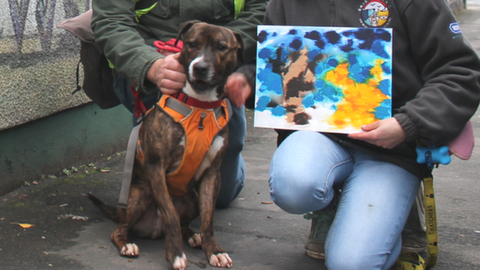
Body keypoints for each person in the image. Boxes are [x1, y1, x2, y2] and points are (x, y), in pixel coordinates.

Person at [264, 0, 480, 269]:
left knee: (351, 264)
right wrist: (246, 78)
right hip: (320, 136)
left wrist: (408, 124)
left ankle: (403, 215)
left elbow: (460, 72)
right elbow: (270, 64)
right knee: (293, 185)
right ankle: (330, 206)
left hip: (393, 150)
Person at [91, 0, 266, 208]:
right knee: (157, 195)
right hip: (152, 66)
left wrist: (219, 49)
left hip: (219, 72)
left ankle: (222, 153)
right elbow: (110, 21)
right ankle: (159, 151)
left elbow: (261, 10)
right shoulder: (152, 67)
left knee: (220, 196)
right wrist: (152, 66)